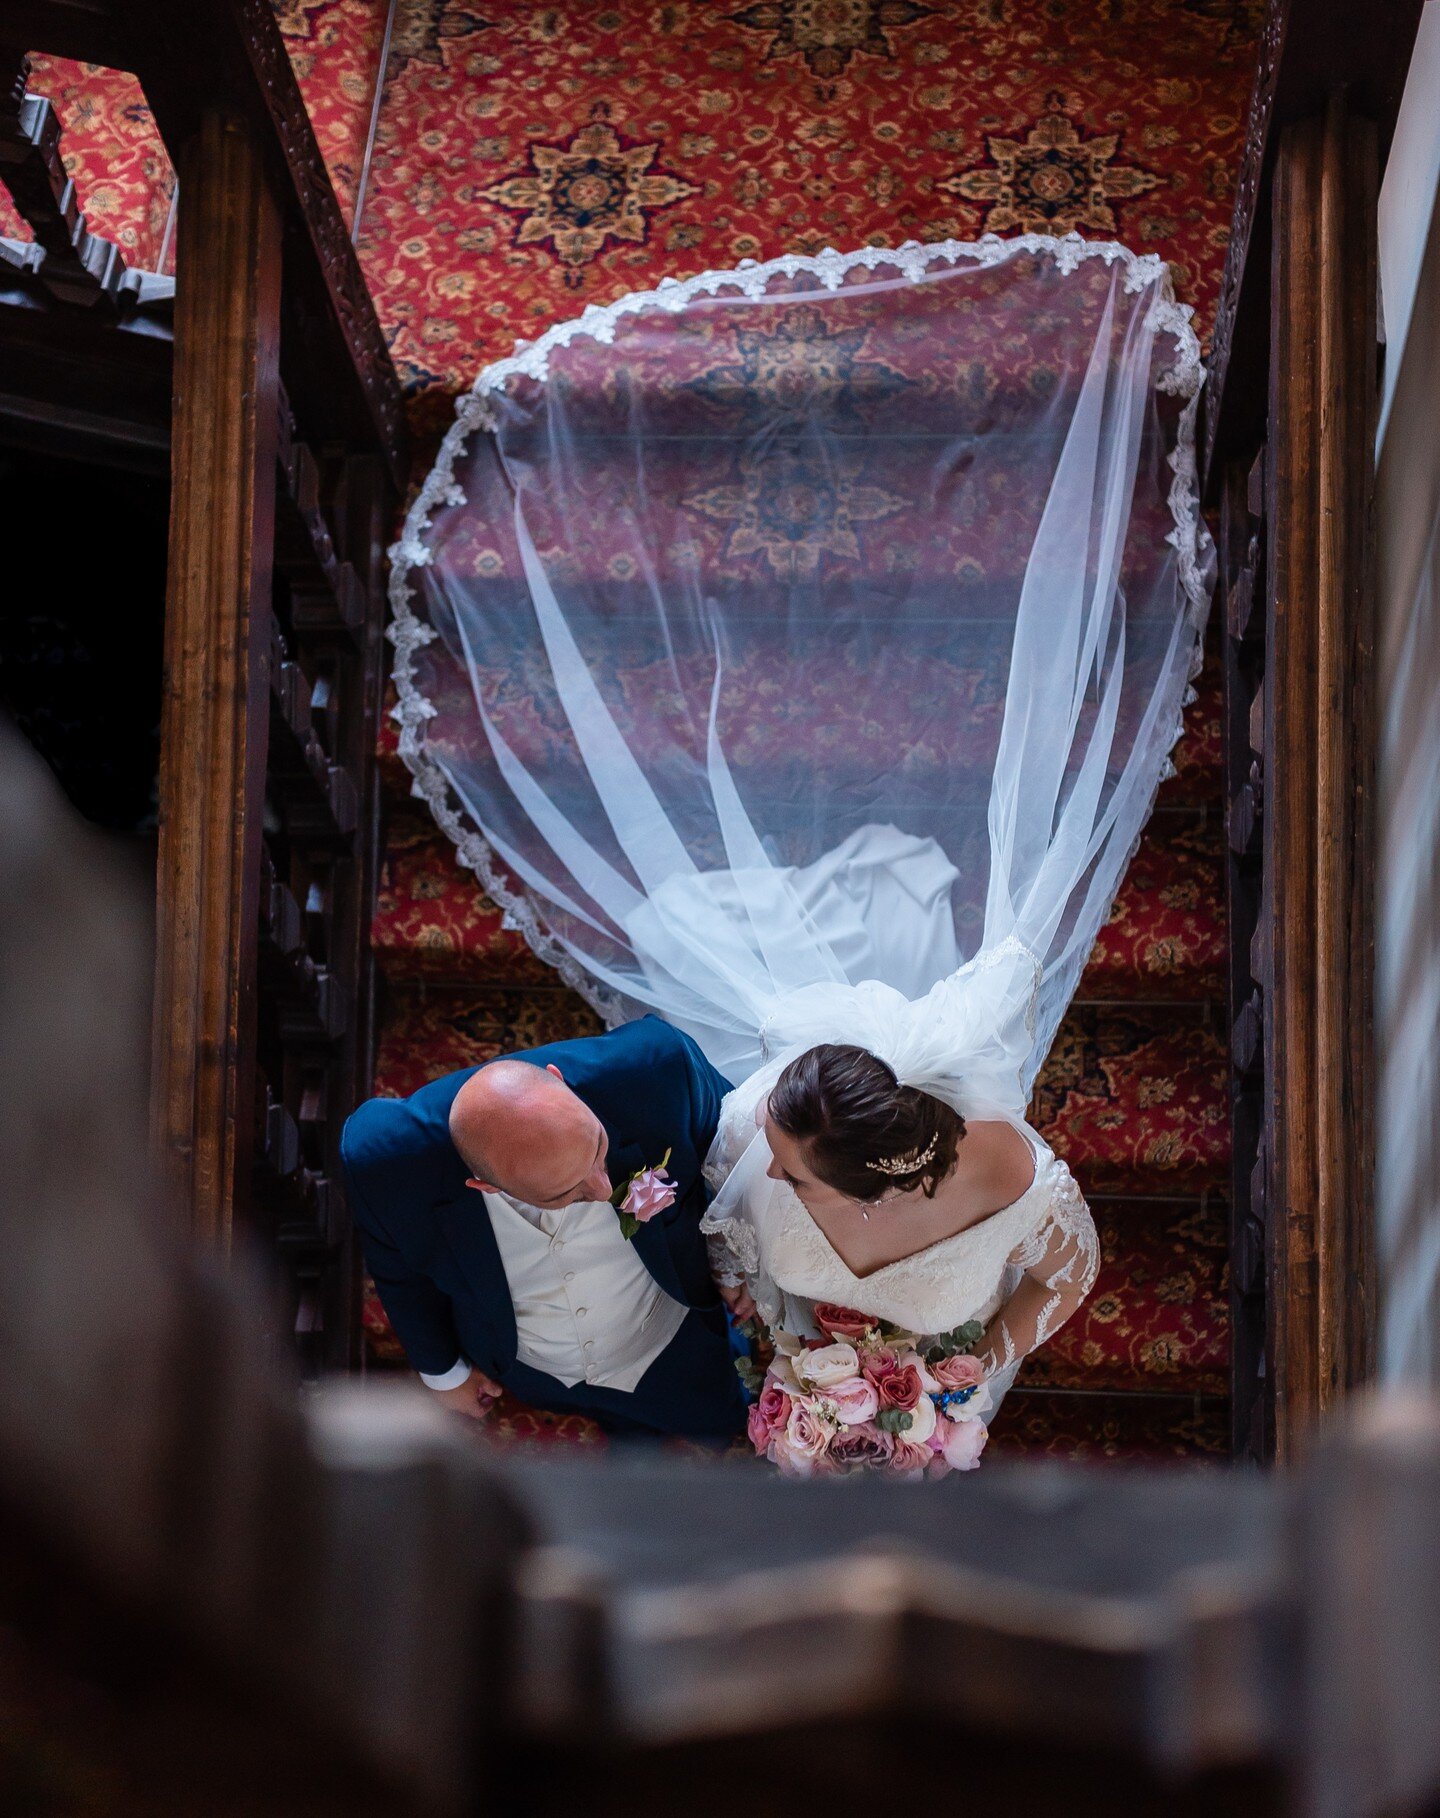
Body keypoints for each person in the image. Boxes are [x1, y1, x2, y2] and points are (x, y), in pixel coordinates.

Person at [341, 1016, 746, 1439]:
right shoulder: (385, 1167)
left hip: (674, 1338)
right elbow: (400, 1275)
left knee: (719, 1421)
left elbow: (741, 1152)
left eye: (598, 1148)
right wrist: (444, 1374)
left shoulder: (659, 1070)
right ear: (485, 1186)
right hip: (534, 1367)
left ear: (560, 1081)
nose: (603, 1186)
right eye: (565, 1192)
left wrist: (735, 1256)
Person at [702, 1036, 1098, 1419]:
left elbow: (1065, 1280)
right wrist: (734, 1275)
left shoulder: (1012, 1183)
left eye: (795, 1179)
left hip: (925, 1379)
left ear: (868, 1193)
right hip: (804, 1354)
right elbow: (730, 1195)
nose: (769, 1170)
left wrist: (962, 1377)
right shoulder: (770, 1124)